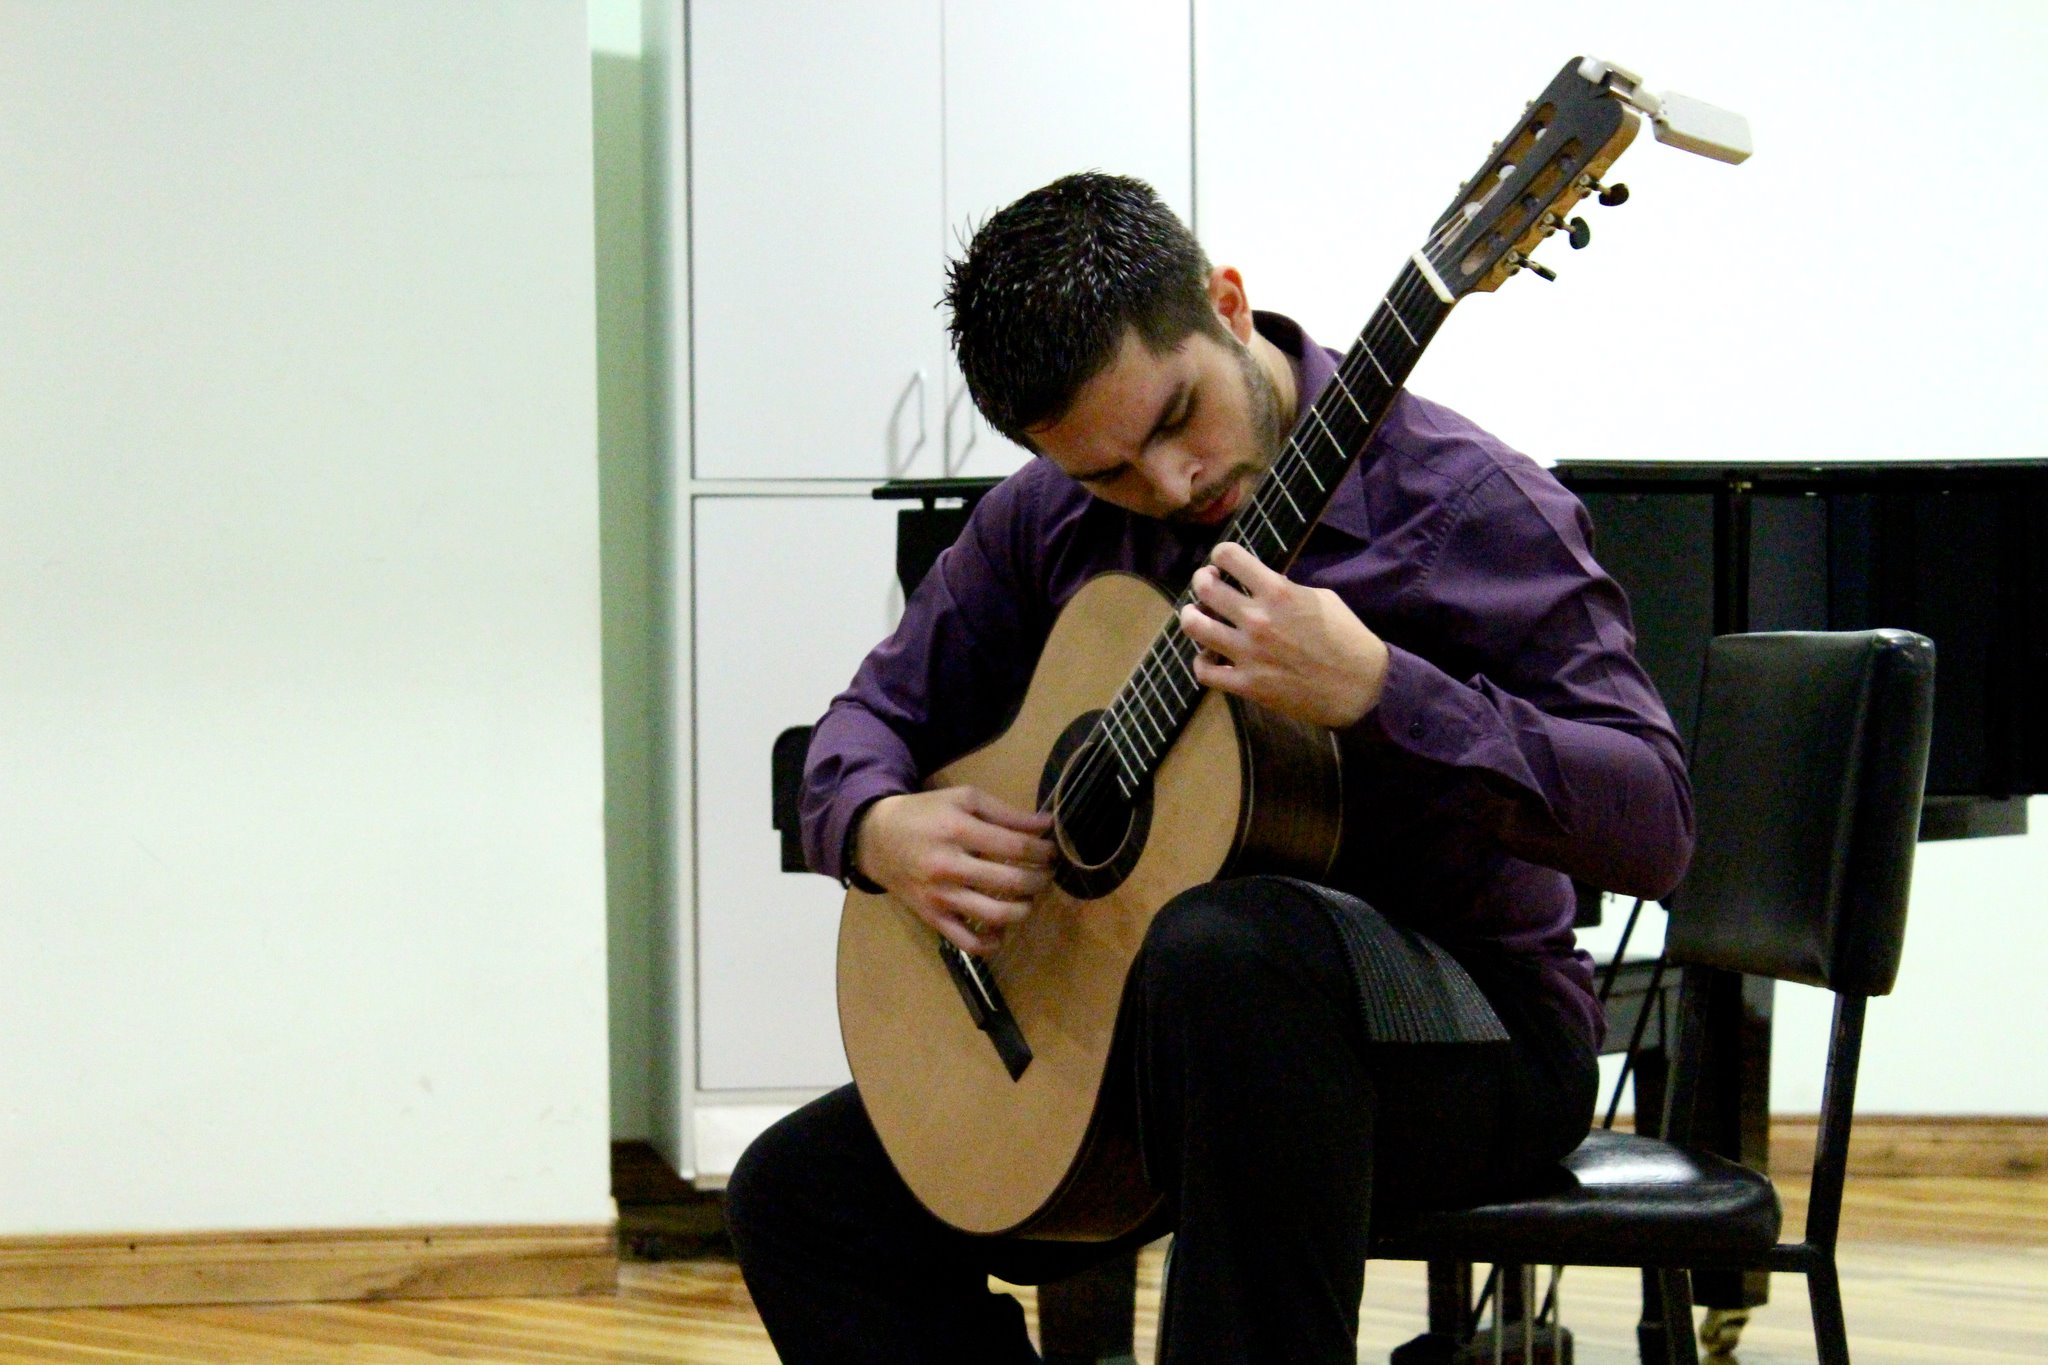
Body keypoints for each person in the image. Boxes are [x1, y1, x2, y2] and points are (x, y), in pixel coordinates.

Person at [724, 172, 1693, 1364]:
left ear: (1227, 305)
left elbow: (1654, 822)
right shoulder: (1045, 523)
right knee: (799, 1198)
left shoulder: (1467, 507)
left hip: (1465, 1037)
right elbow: (868, 719)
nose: (1170, 485)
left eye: (1177, 418)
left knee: (1225, 952)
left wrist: (1381, 691)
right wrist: (876, 827)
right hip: (1157, 1052)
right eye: (1108, 473)